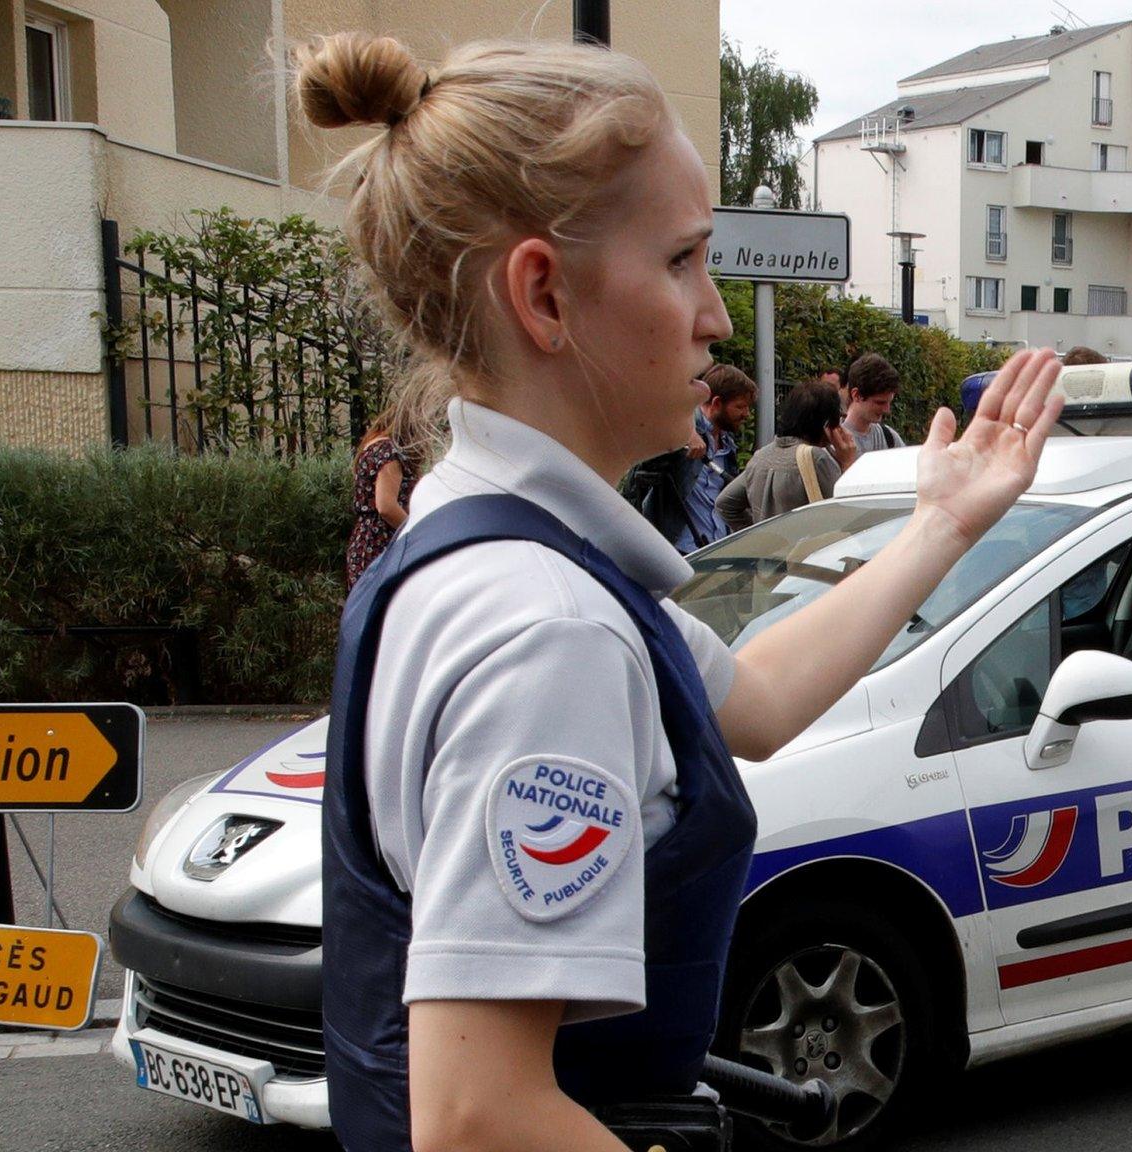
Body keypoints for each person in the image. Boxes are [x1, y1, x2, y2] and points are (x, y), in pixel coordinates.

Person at [295, 33, 1063, 1152]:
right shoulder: (546, 629)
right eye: (682, 260)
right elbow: (477, 1118)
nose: (711, 314)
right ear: (543, 294)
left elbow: (749, 701)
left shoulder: (488, 544)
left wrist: (941, 522)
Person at [716, 380, 853, 532]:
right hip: (807, 553)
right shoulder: (817, 458)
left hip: (769, 552)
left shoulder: (760, 457)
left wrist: (757, 534)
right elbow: (846, 512)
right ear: (827, 425)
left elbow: (725, 503)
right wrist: (847, 462)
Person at [346, 408, 424, 587]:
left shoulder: (374, 445)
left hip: (366, 541)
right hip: (381, 544)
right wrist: (415, 532)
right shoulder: (389, 452)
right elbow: (386, 507)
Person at [680, 364, 755, 549]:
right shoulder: (684, 433)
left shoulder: (726, 443)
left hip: (715, 547)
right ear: (716, 403)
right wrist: (687, 432)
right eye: (740, 407)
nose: (746, 414)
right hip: (682, 550)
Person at [841, 352, 906, 455]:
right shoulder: (836, 445)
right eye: (880, 402)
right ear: (856, 395)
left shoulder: (890, 438)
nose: (887, 410)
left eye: (890, 402)